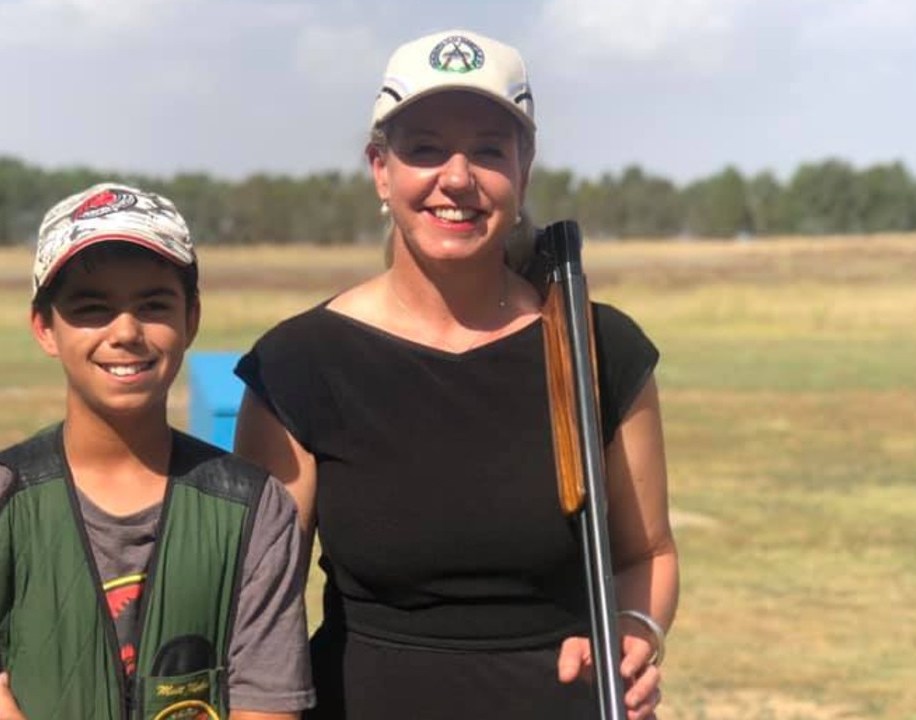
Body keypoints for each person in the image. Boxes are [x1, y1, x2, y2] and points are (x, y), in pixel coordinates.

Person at [233, 29, 679, 719]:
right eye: (425, 148)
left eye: (489, 150)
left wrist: (635, 631)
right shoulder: (298, 365)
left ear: (524, 169)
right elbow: (260, 614)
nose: (458, 176)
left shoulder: (599, 345)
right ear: (380, 169)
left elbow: (646, 552)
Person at [0, 183, 314, 720]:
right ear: (44, 327)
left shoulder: (254, 510)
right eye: (92, 308)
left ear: (190, 319)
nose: (125, 331)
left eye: (153, 305)